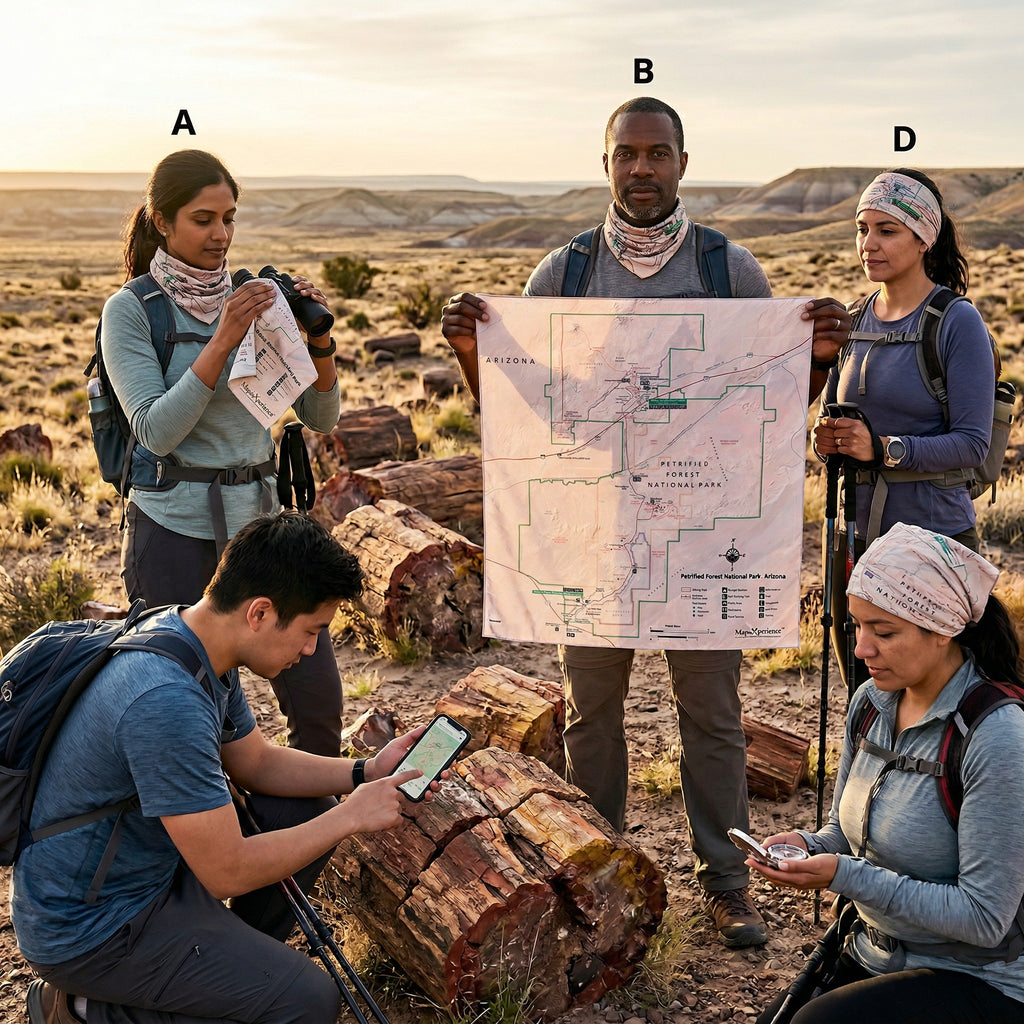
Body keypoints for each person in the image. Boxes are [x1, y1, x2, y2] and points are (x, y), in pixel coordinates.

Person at [441, 95, 850, 948]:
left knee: (714, 715)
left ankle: (728, 884)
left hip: (703, 537)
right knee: (593, 714)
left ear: (683, 164)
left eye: (658, 154)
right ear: (605, 165)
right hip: (595, 534)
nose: (642, 169)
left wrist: (814, 362)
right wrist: (471, 354)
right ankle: (600, 885)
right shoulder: (565, 272)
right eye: (627, 154)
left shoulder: (728, 269)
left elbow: (770, 416)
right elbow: (526, 415)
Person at [15, 511, 440, 1024]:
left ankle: (226, 978)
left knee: (298, 809)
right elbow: (225, 872)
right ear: (259, 613)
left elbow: (258, 763)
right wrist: (350, 817)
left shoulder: (192, 641)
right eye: (310, 631)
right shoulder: (164, 699)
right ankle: (82, 1009)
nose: (311, 649)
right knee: (309, 1003)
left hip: (144, 878)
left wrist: (364, 773)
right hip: (92, 928)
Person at [103, 149, 344, 757]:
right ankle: (206, 843)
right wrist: (225, 337)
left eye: (229, 218)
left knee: (317, 702)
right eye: (203, 219)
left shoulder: (252, 297)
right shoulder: (132, 311)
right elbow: (155, 431)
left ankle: (299, 843)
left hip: (262, 526)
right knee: (180, 708)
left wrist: (319, 342)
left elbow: (321, 417)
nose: (221, 235)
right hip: (174, 528)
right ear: (161, 220)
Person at [749, 522, 1024, 1024]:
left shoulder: (997, 735)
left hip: (978, 978)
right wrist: (809, 848)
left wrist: (844, 876)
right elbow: (843, 833)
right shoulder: (872, 703)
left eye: (885, 632)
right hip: (875, 950)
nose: (860, 649)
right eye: (857, 626)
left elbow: (985, 918)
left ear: (943, 631)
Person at [812, 169, 995, 689]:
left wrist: (885, 448)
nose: (868, 244)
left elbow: (973, 445)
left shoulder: (955, 321)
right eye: (861, 227)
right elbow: (837, 418)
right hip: (856, 538)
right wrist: (827, 444)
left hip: (933, 539)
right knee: (866, 690)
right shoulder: (854, 318)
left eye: (887, 230)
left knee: (934, 697)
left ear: (923, 238)